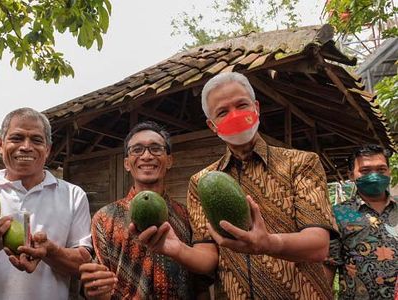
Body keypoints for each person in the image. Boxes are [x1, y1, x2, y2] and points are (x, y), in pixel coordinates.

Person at [134, 72, 339, 299]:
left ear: (256, 108)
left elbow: (318, 246)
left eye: (242, 105)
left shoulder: (301, 163)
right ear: (212, 125)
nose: (235, 115)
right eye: (223, 112)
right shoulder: (201, 182)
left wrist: (269, 243)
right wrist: (176, 249)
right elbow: (208, 257)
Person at [0, 107, 92, 300]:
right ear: (1, 145)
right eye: (17, 138)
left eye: (36, 140)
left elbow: (85, 266)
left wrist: (50, 251)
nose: (26, 146)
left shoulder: (73, 195)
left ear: (48, 149)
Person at [79, 121, 210, 299]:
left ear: (169, 160)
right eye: (137, 149)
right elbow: (99, 283)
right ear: (127, 163)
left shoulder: (188, 217)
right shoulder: (104, 218)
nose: (147, 156)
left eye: (156, 148)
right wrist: (94, 290)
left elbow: (200, 286)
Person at [324, 144, 397, 299]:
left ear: (389, 172)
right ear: (351, 175)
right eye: (365, 171)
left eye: (381, 169)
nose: (374, 175)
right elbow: (329, 265)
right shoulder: (337, 214)